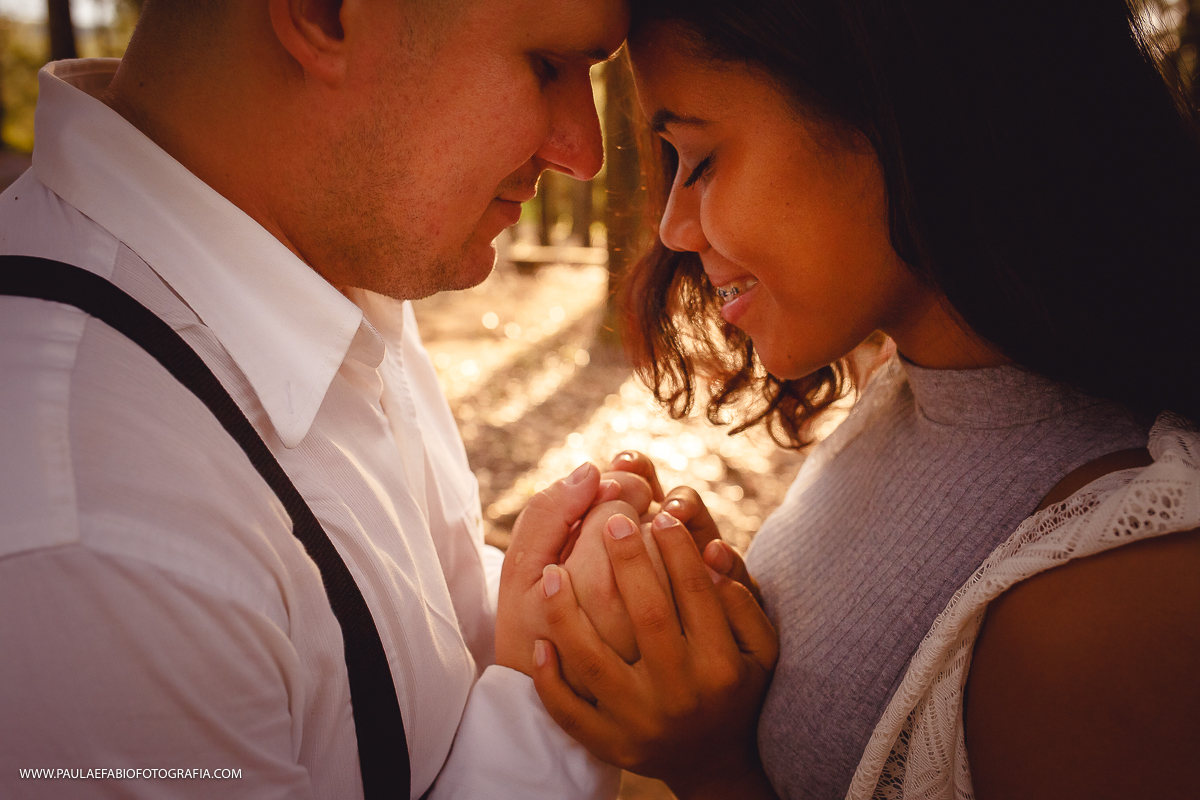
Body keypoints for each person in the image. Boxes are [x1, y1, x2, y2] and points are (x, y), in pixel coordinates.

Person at [528, 1, 1200, 799]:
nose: (672, 226)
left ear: (900, 107)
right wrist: (722, 631)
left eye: (698, 159)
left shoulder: (1118, 606)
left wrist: (712, 769)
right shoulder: (912, 384)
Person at [0, 0, 633, 797]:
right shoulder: (95, 544)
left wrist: (574, 593)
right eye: (547, 66)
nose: (584, 153)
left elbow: (420, 630)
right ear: (324, 14)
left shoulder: (330, 260)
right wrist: (563, 689)